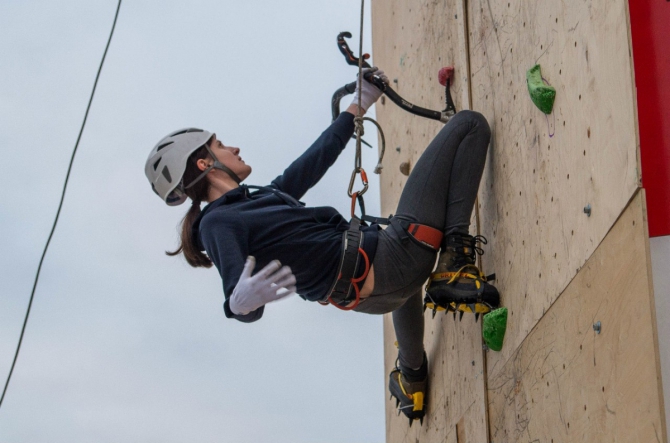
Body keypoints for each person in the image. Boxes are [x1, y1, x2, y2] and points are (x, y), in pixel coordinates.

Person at [144, 67, 499, 425]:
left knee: (406, 292)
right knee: (469, 124)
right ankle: (453, 261)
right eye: (220, 145)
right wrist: (240, 304)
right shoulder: (217, 222)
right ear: (206, 164)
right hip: (393, 258)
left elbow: (312, 162)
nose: (233, 147)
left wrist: (357, 106)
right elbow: (237, 291)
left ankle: (412, 376)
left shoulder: (263, 198)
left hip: (375, 293)